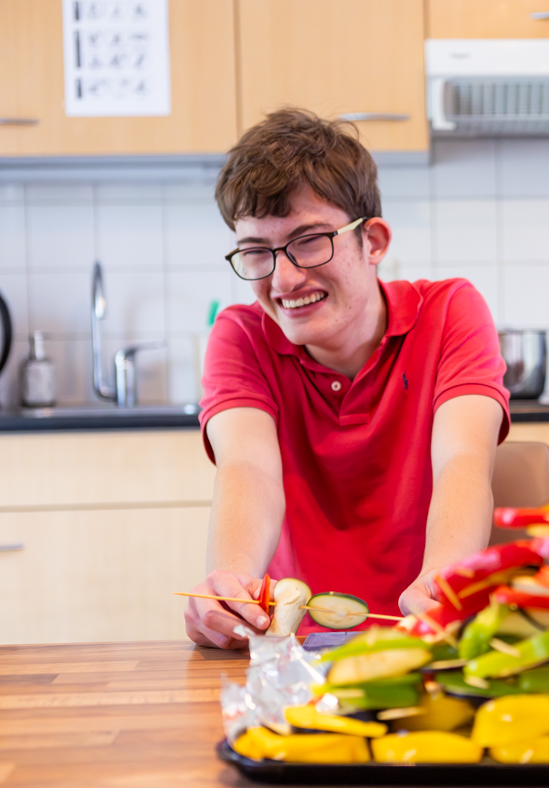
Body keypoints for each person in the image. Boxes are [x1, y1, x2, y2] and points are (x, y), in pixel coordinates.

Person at [183, 109, 509, 649]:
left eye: (309, 241)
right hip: (291, 648)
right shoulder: (241, 337)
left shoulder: (450, 310)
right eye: (256, 252)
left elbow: (463, 460)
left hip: (424, 639)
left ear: (374, 241)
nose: (283, 279)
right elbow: (248, 470)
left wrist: (441, 581)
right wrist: (232, 590)